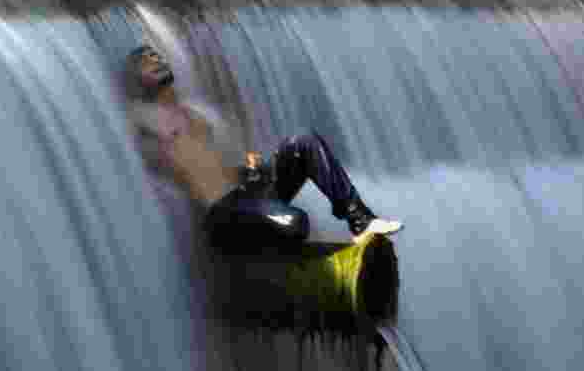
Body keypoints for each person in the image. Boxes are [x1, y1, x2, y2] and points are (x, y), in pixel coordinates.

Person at [124, 45, 402, 247]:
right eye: (146, 61)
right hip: (222, 215)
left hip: (244, 192)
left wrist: (252, 166)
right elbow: (136, 155)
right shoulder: (141, 118)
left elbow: (226, 163)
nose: (157, 59)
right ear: (137, 79)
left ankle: (360, 219)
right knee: (295, 223)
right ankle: (283, 271)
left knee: (304, 142)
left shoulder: (194, 115)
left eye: (157, 55)